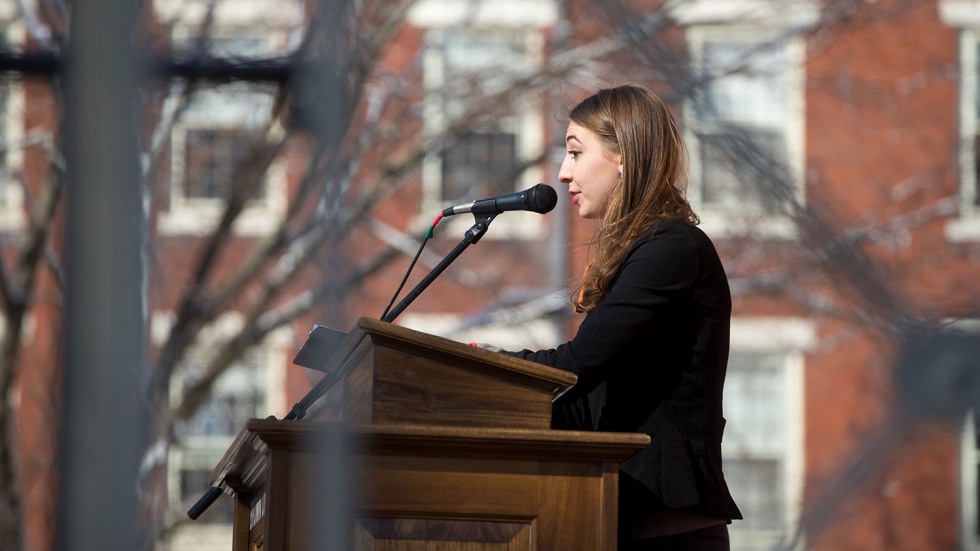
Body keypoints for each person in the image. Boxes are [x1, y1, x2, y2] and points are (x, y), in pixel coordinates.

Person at [482, 84, 742, 550]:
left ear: (624, 155)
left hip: (668, 535)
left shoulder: (672, 249)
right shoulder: (646, 252)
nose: (563, 173)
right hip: (615, 525)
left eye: (575, 153)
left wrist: (486, 371)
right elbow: (588, 405)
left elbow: (575, 369)